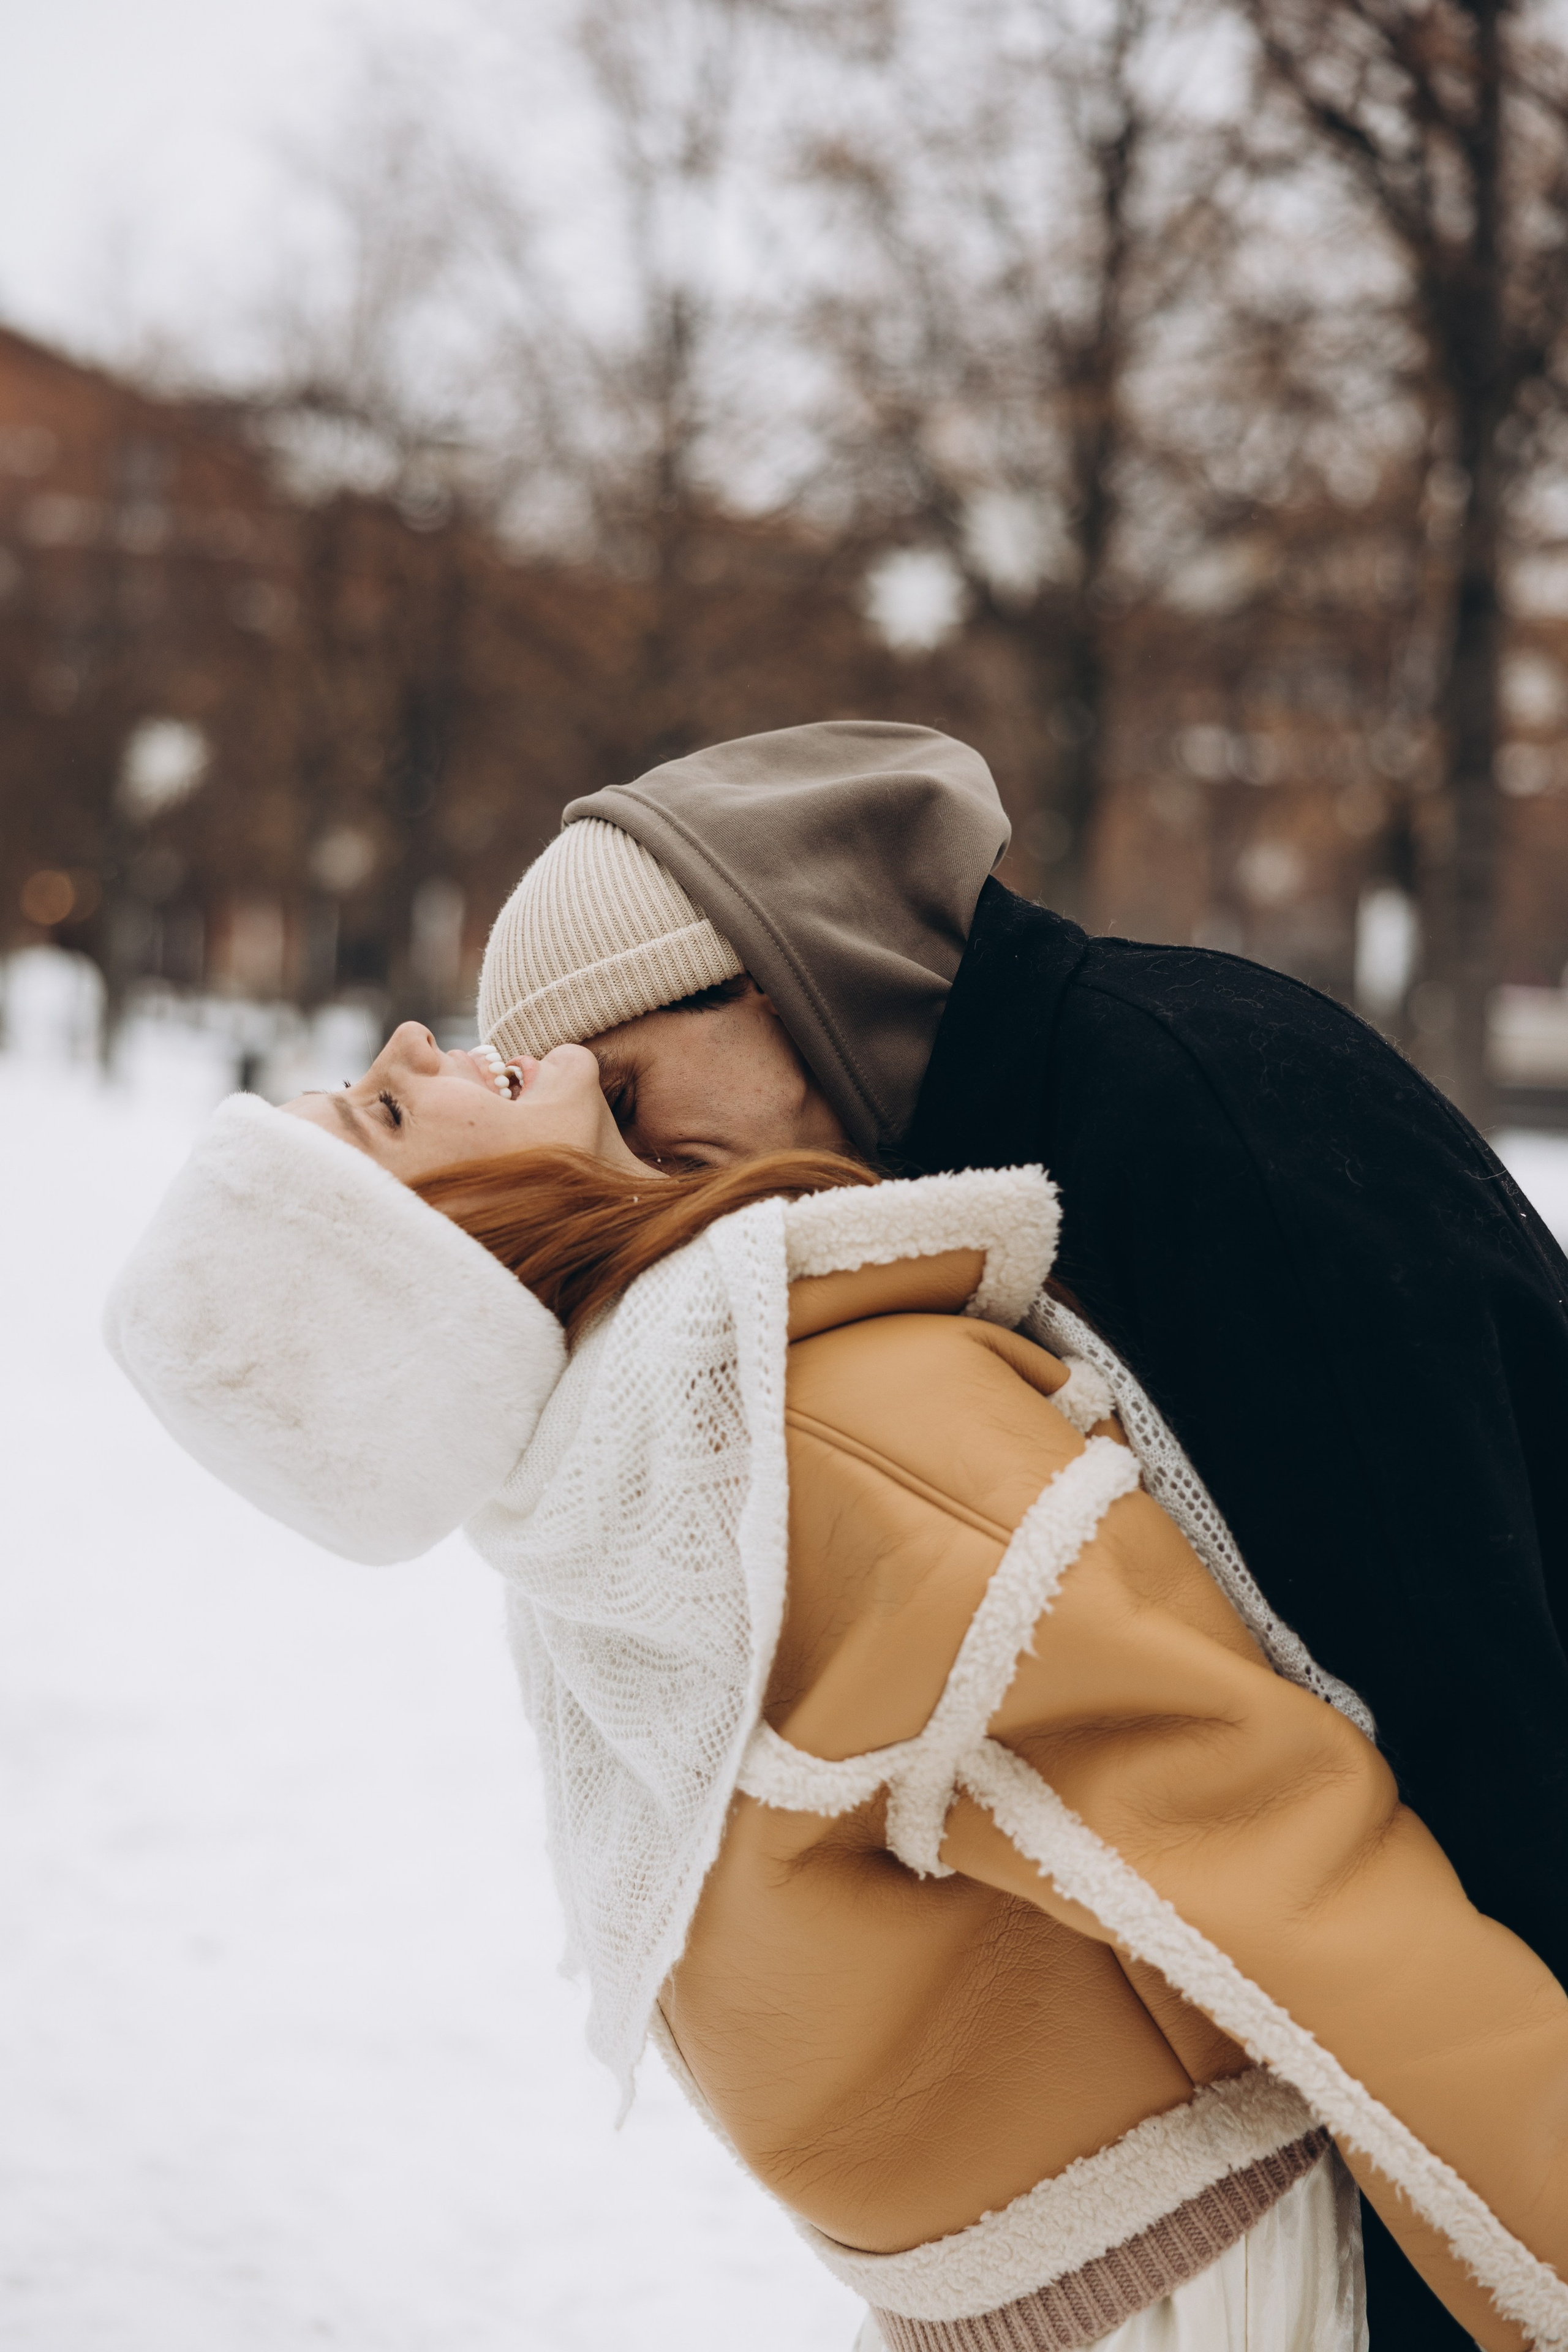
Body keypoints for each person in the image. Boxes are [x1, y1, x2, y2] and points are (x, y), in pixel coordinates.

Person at [104, 1026, 1568, 2351]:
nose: (415, 1043)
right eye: (383, 1113)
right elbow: (1307, 1896)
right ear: (434, 1268)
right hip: (1195, 2298)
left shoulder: (613, 1513)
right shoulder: (818, 1447)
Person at [475, 720, 1568, 2350]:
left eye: (629, 1095)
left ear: (770, 980)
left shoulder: (1187, 1123)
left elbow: (1469, 1702)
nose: (637, 1185)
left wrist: (1452, 2291)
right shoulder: (1011, 1141)